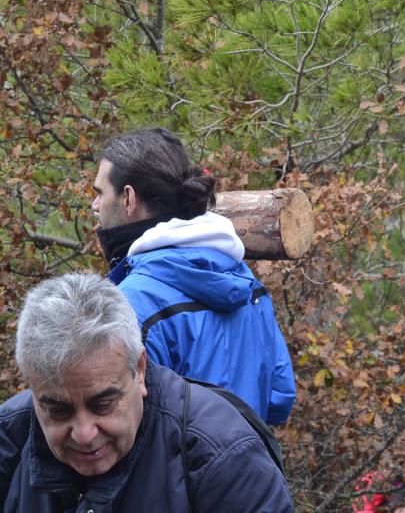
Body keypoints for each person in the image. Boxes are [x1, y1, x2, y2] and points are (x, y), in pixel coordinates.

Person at [0, 273, 294, 511]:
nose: (84, 434)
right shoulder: (9, 438)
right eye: (58, 409)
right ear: (32, 385)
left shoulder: (222, 457)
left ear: (138, 369)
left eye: (102, 404)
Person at [92, 127, 295, 425]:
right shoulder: (247, 283)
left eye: (99, 192)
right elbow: (280, 399)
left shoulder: (132, 303)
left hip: (174, 472)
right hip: (250, 467)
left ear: (129, 198)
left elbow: (123, 427)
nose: (94, 205)